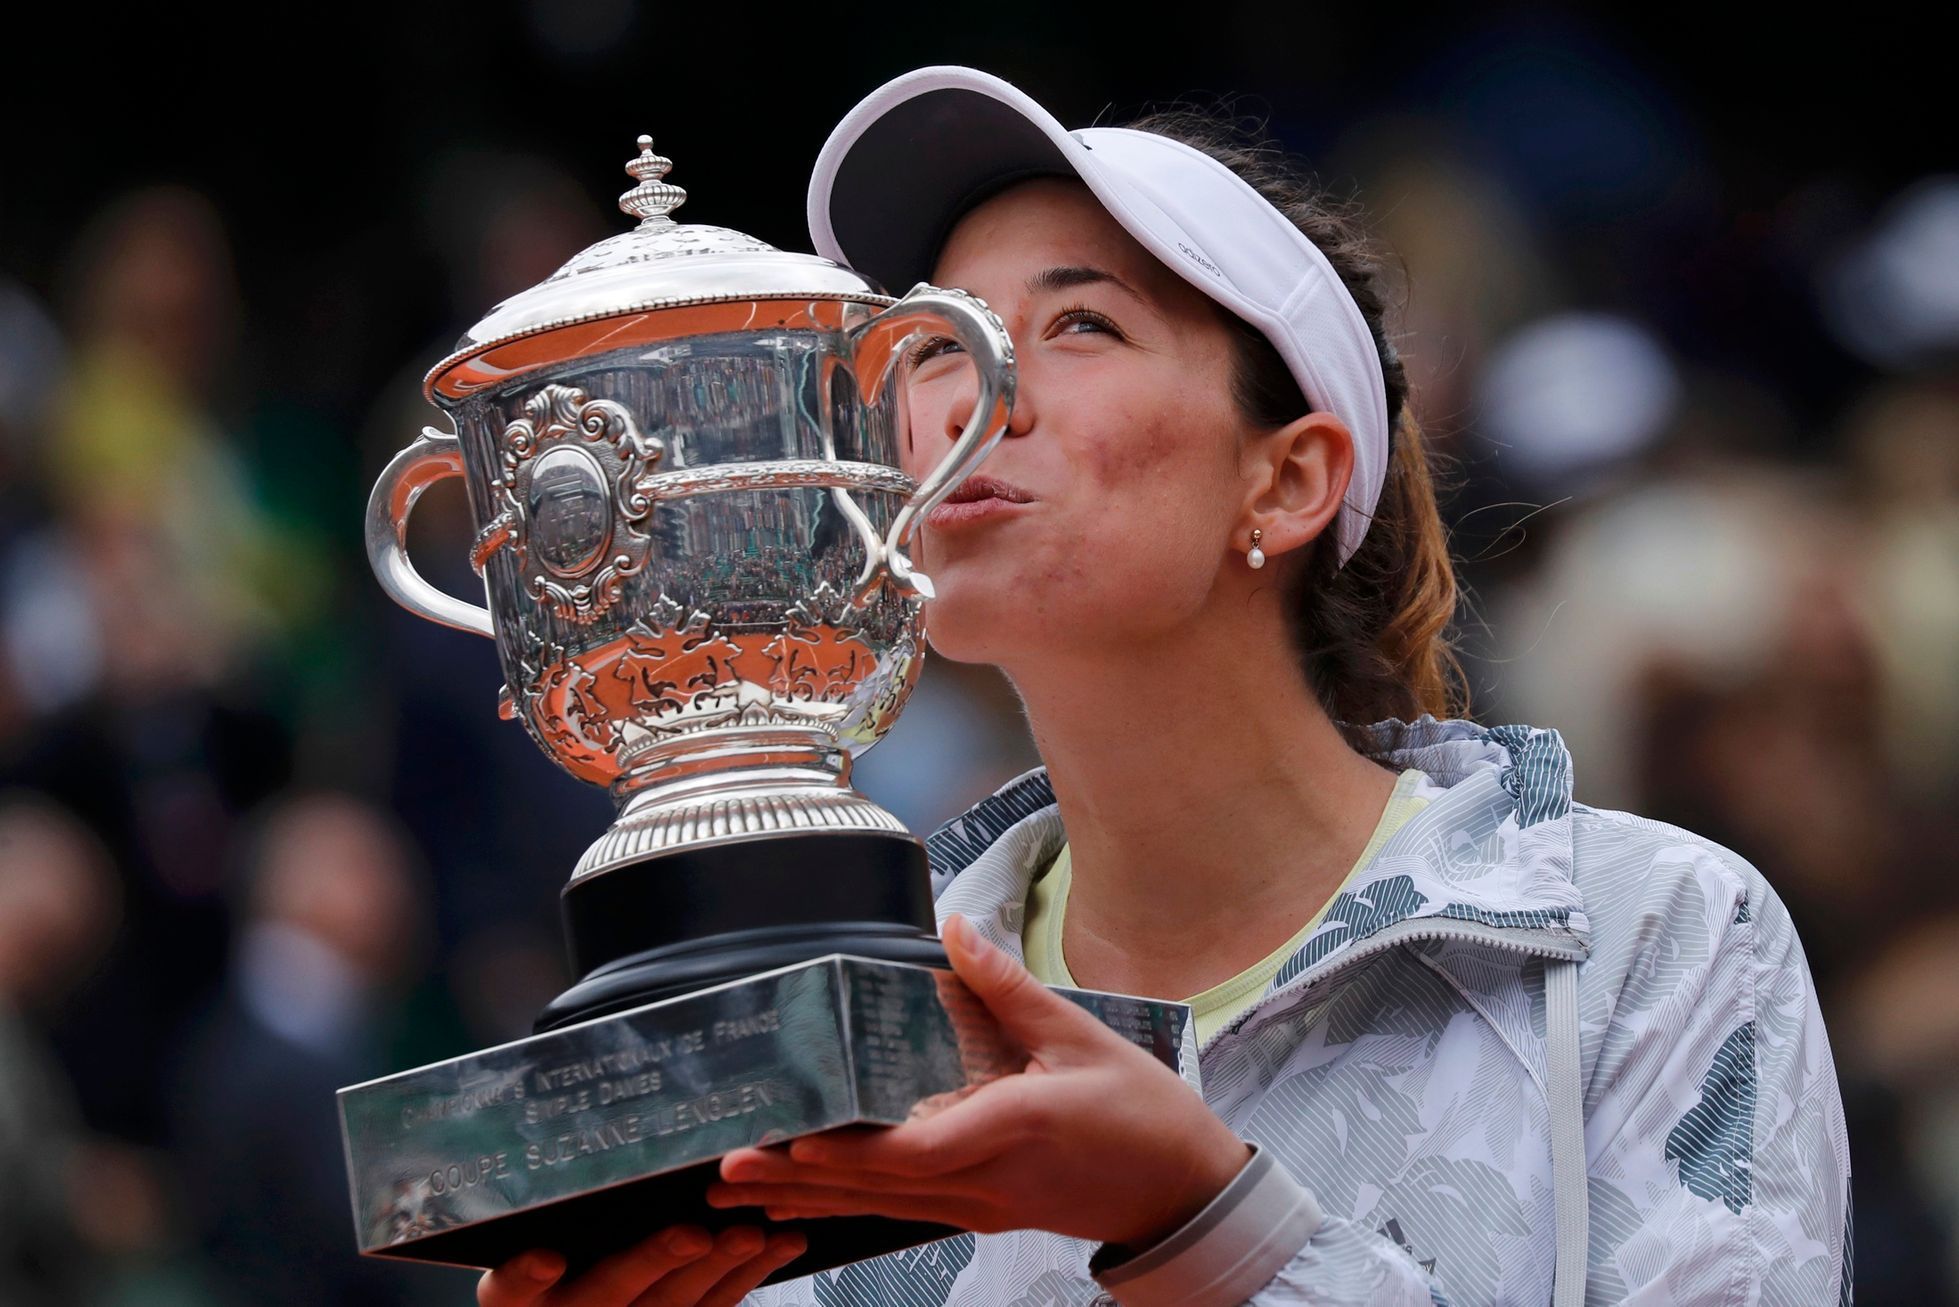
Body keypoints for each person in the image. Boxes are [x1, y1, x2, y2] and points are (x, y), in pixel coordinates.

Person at [478, 66, 1851, 1306]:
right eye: (936, 344)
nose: (972, 395)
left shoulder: (1647, 937)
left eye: (1078, 325)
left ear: (1290, 477)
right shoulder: (836, 1045)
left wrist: (1204, 1225)